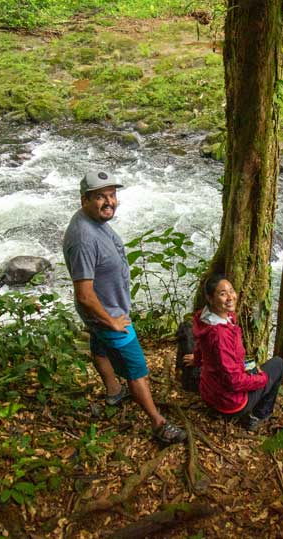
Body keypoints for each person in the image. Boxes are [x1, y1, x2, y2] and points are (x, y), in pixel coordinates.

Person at [63, 170, 187, 444]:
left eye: (112, 195)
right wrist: (111, 320)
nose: (109, 202)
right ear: (85, 199)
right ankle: (158, 424)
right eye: (100, 197)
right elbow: (84, 294)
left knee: (99, 347)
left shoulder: (91, 220)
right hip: (108, 315)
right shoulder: (84, 238)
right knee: (138, 371)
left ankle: (113, 391)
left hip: (103, 313)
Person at [184, 274, 283, 431]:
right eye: (222, 294)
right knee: (278, 364)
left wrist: (197, 359)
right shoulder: (220, 335)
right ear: (210, 299)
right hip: (230, 403)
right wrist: (262, 379)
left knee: (252, 367)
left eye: (231, 290)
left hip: (209, 392)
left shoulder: (205, 318)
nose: (230, 297)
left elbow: (201, 344)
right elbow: (234, 381)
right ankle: (258, 415)